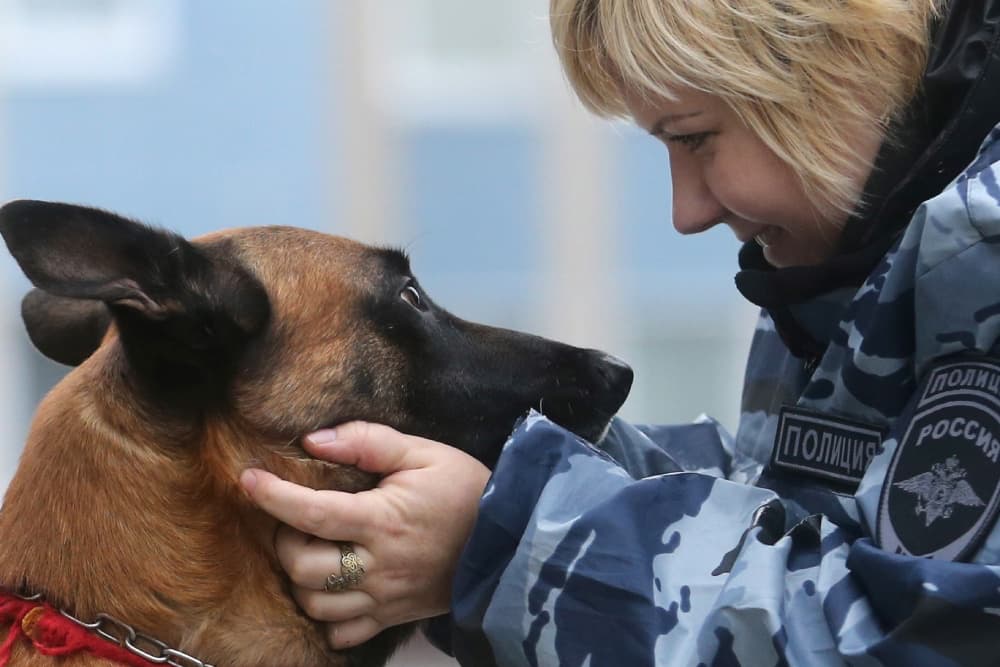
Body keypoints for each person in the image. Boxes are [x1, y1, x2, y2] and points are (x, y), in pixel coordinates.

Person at [240, 0, 1000, 663]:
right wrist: (487, 457)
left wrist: (505, 539)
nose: (687, 210)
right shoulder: (839, 266)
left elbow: (930, 639)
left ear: (832, 68)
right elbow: (786, 516)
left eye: (697, 137)